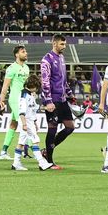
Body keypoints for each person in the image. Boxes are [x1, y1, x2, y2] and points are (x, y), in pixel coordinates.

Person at [40, 35, 76, 169]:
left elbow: (63, 80)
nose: (64, 47)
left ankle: (46, 150)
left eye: (64, 44)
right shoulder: (47, 60)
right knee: (52, 129)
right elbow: (45, 82)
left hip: (62, 99)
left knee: (70, 127)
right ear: (54, 43)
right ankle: (49, 161)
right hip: (52, 100)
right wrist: (48, 101)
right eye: (61, 44)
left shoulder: (61, 58)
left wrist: (70, 94)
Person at [11, 75, 53, 171]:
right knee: (35, 141)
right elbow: (21, 111)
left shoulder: (30, 95)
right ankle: (42, 163)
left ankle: (16, 163)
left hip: (29, 121)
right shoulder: (24, 95)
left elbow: (34, 108)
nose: (37, 89)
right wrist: (25, 124)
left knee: (21, 143)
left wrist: (36, 120)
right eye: (37, 87)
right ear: (33, 85)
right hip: (26, 121)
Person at [0, 45, 30, 160]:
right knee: (25, 124)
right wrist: (1, 100)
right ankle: (35, 150)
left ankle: (3, 151)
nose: (26, 53)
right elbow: (5, 85)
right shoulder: (11, 68)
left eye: (26, 51)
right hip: (15, 99)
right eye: (23, 51)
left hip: (24, 99)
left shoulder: (26, 68)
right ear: (17, 54)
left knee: (14, 124)